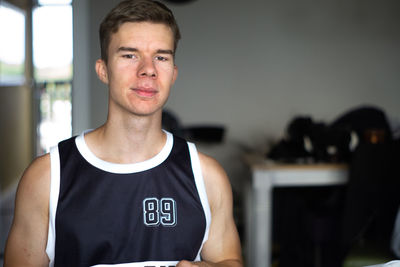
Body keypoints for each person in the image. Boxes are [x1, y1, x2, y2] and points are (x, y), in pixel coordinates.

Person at [3, 0, 243, 266]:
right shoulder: (47, 178)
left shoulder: (206, 176)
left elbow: (229, 261)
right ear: (103, 70)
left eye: (161, 57)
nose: (148, 69)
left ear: (173, 73)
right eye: (130, 55)